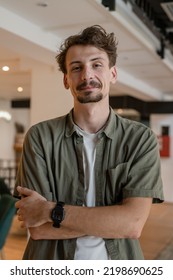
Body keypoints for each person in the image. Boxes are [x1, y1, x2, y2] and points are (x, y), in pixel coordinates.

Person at [14, 25, 164, 260]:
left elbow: (131, 225)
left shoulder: (140, 139)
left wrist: (50, 211)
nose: (86, 75)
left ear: (112, 74)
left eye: (96, 65)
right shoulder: (40, 137)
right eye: (76, 68)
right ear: (66, 80)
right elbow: (38, 228)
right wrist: (111, 221)